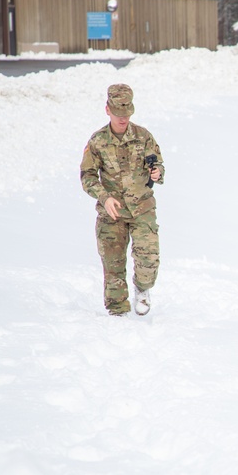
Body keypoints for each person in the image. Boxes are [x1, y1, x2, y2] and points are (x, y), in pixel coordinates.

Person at [80, 84, 165, 316]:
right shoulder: (97, 141)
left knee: (149, 260)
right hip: (112, 213)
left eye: (127, 115)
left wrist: (157, 173)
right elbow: (87, 176)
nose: (123, 119)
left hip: (142, 208)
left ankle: (143, 289)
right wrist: (104, 197)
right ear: (108, 110)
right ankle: (118, 317)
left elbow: (157, 163)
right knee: (113, 267)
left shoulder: (143, 136)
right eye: (119, 114)